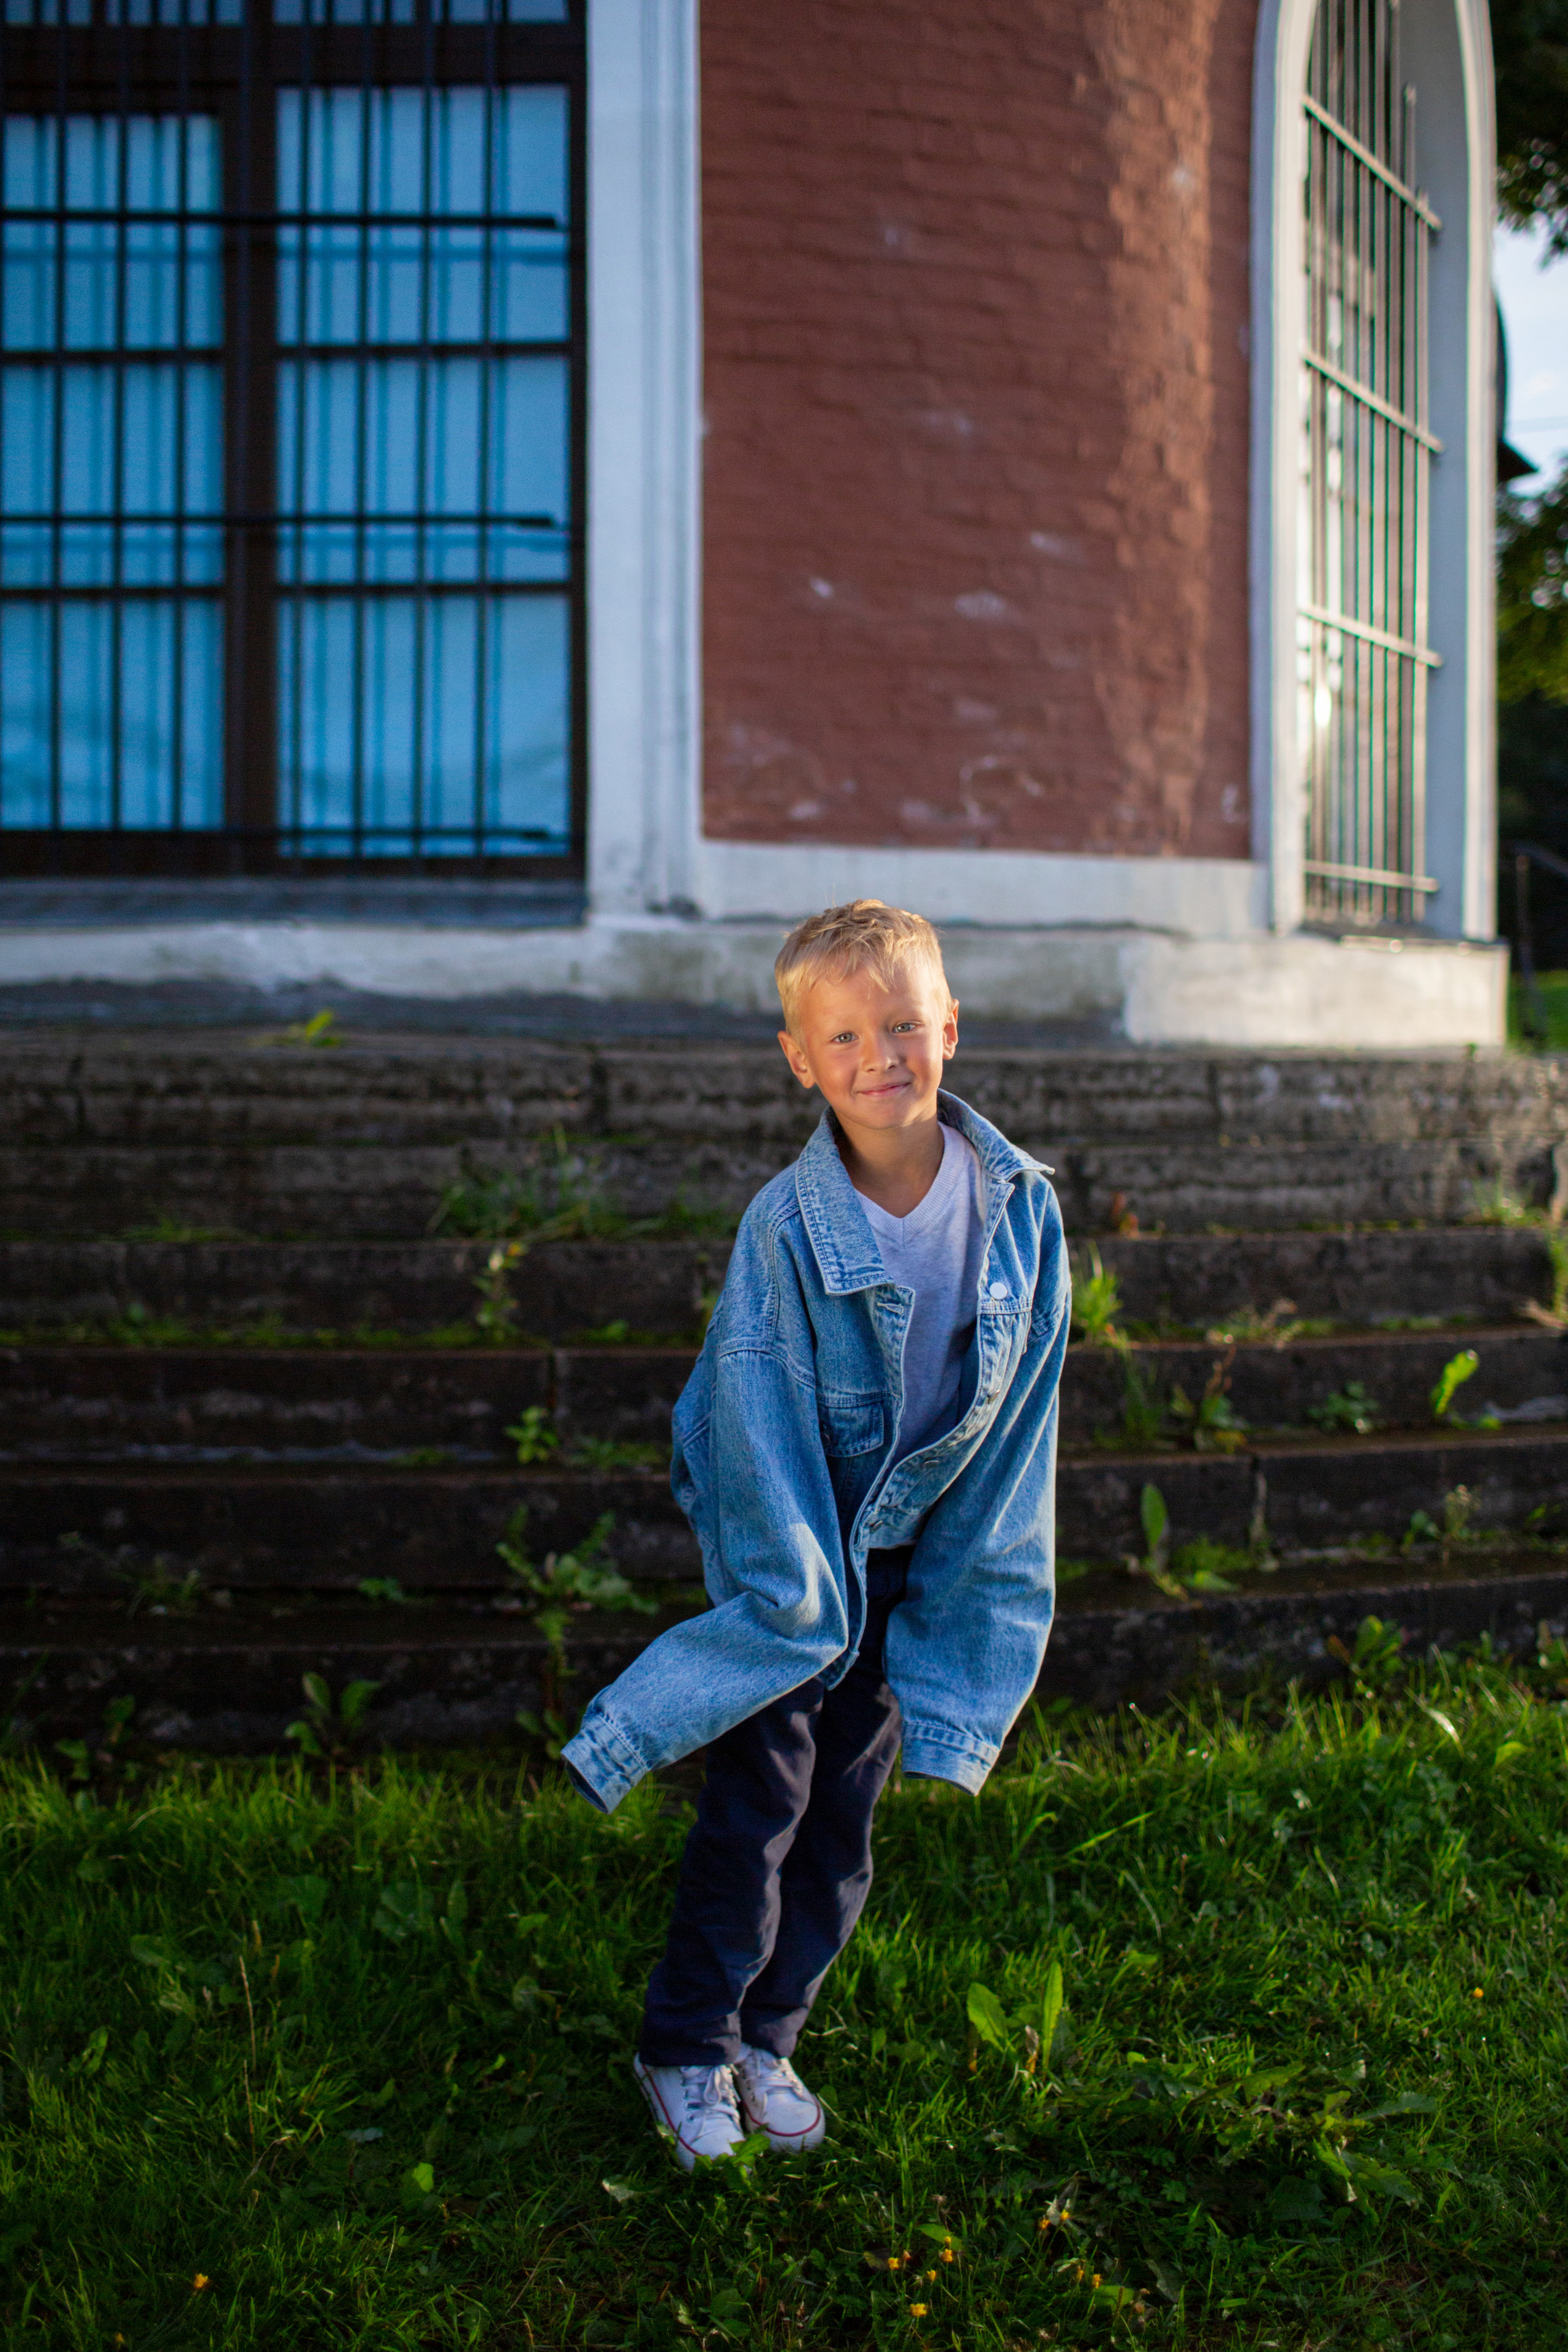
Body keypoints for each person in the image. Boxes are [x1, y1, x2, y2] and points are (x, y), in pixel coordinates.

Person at [561, 899, 1069, 2169]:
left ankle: (764, 2035)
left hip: (904, 1557)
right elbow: (753, 1419)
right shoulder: (785, 1228)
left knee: (843, 1817)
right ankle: (683, 2045)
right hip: (789, 1543)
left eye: (902, 1024)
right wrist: (798, 1605)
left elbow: (1016, 1431)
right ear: (800, 1058)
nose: (878, 1056)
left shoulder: (1020, 1212)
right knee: (761, 1804)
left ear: (948, 1027)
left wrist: (963, 1609)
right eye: (843, 1035)